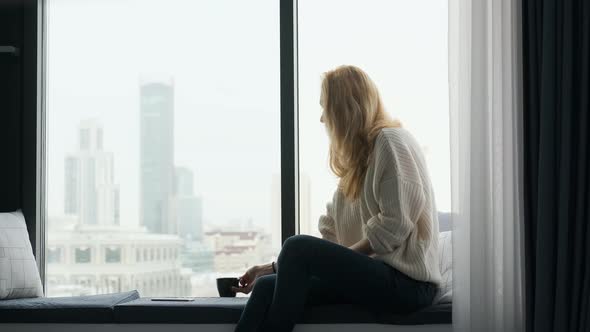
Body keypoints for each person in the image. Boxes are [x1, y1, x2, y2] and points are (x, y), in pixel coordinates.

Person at [232, 65, 441, 332]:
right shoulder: (355, 166)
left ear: (345, 108)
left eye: (325, 107)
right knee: (264, 286)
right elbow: (330, 238)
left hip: (409, 285)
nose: (322, 119)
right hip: (378, 276)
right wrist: (272, 268)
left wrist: (328, 267)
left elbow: (394, 227)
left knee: (297, 246)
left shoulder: (391, 142)